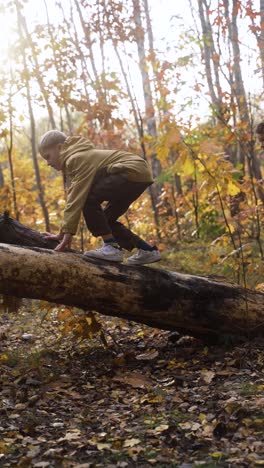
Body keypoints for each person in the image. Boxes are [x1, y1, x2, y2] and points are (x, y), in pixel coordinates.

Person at [39, 130, 161, 265]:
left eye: (48, 156)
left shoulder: (76, 159)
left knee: (87, 199)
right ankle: (147, 250)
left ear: (60, 147)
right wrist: (62, 232)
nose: (48, 163)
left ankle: (111, 247)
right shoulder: (79, 159)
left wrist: (67, 233)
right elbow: (73, 195)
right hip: (139, 175)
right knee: (106, 219)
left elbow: (76, 197)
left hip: (129, 170)